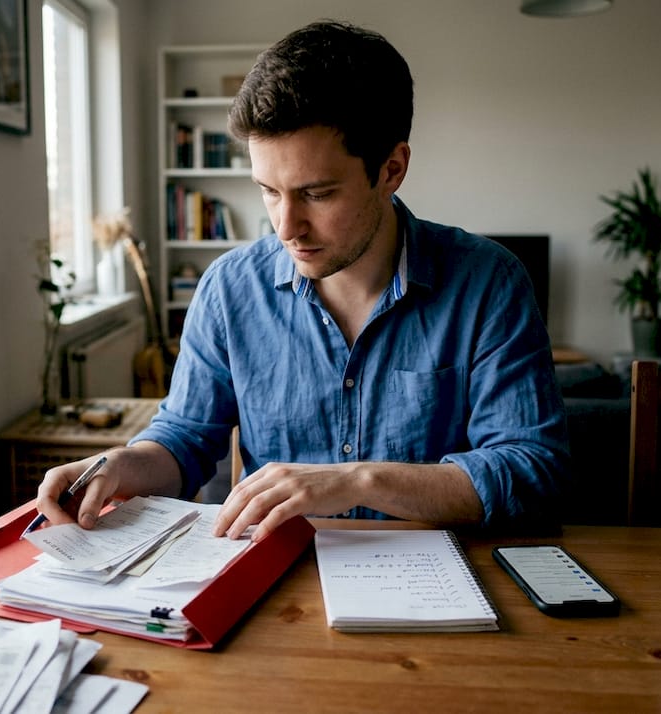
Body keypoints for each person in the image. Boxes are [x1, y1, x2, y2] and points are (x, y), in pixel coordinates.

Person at [34, 19, 569, 541]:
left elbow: (531, 472)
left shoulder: (490, 282)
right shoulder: (228, 290)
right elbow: (185, 440)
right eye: (268, 190)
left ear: (391, 169)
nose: (286, 227)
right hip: (273, 589)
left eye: (316, 194)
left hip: (444, 589)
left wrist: (357, 481)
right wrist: (120, 464)